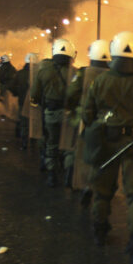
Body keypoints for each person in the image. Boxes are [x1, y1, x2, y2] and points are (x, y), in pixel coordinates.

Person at [83, 31, 133, 264]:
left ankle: (99, 231)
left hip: (105, 142)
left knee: (102, 191)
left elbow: (88, 114)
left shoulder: (100, 81)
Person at [62, 39, 111, 199]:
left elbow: (71, 94)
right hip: (107, 122)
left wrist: (72, 108)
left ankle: (74, 180)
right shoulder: (114, 76)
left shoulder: (83, 73)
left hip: (85, 120)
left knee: (77, 149)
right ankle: (97, 184)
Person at [30, 39, 76, 187]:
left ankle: (52, 175)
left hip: (50, 113)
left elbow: (34, 94)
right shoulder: (75, 73)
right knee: (69, 143)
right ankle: (69, 175)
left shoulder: (44, 71)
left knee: (52, 143)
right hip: (69, 113)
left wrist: (38, 103)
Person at [10, 53, 36, 148]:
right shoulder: (38, 73)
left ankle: (24, 142)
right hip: (36, 103)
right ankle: (34, 141)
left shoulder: (20, 73)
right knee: (34, 121)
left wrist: (16, 93)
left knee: (24, 121)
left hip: (22, 101)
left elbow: (12, 86)